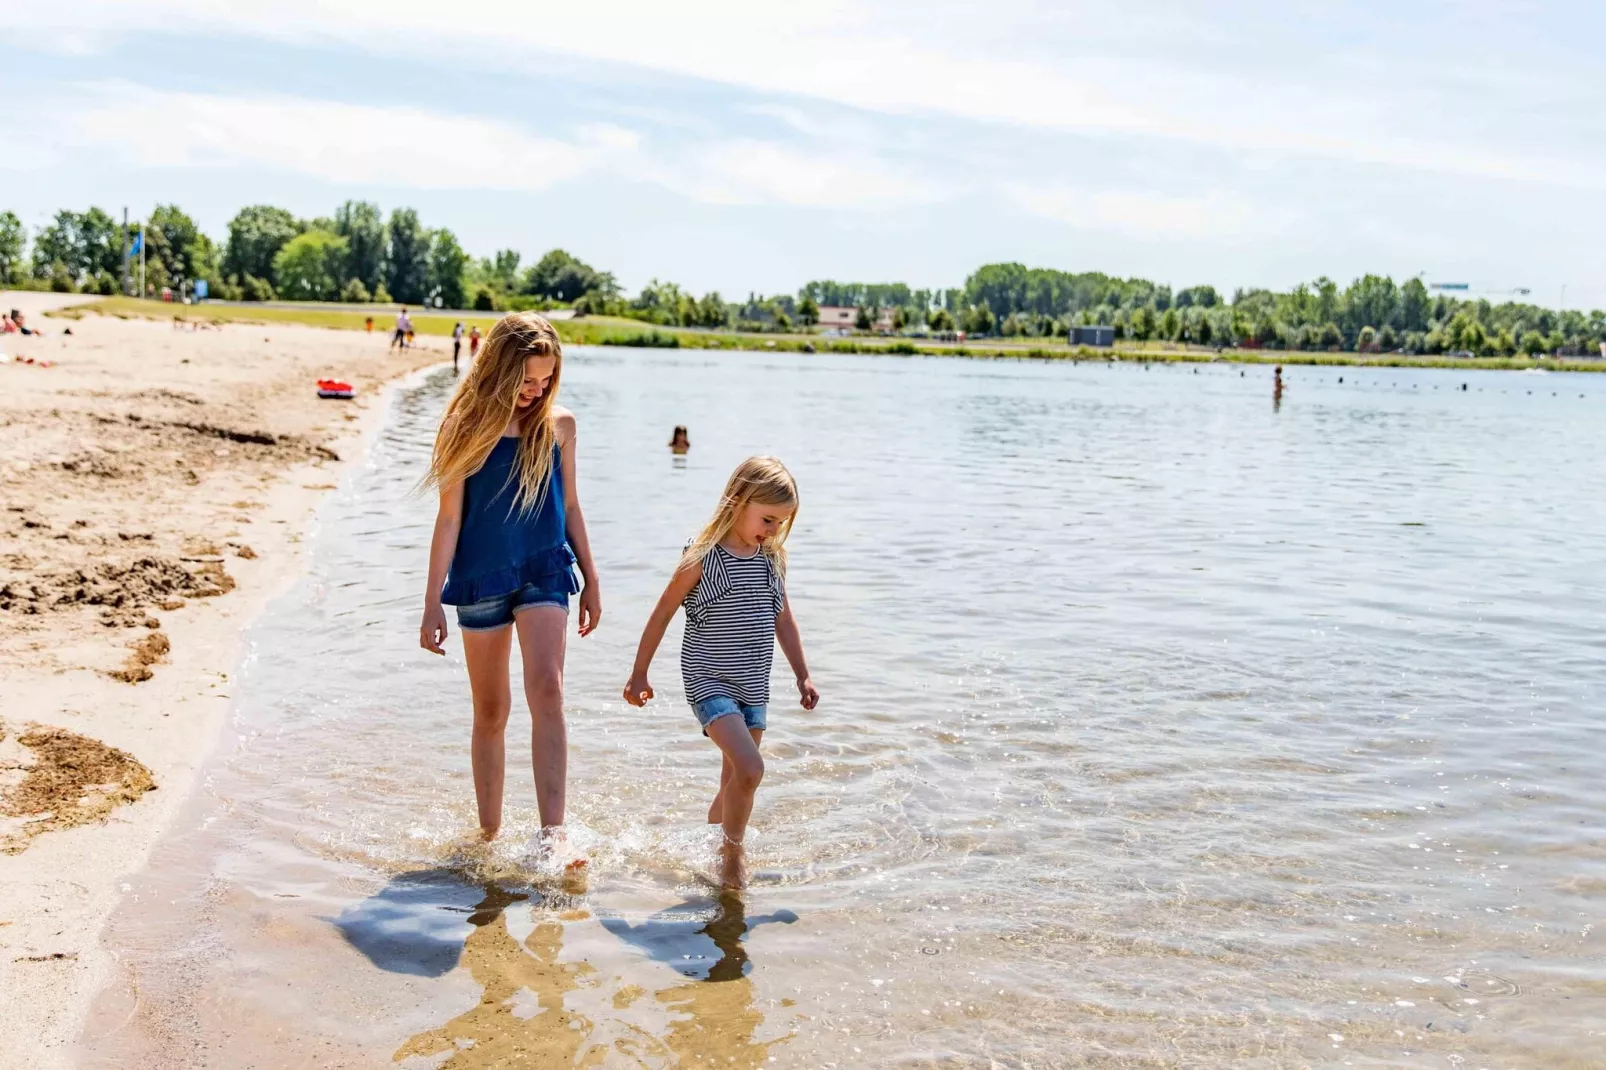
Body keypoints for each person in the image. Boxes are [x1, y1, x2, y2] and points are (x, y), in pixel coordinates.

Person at [419, 312, 602, 862]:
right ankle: (489, 838)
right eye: (527, 381)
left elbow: (569, 505)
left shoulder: (559, 426)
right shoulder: (463, 428)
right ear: (499, 370)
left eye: (546, 380)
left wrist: (592, 578)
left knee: (548, 688)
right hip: (480, 577)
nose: (537, 390)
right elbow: (449, 518)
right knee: (491, 711)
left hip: (545, 568)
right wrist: (431, 602)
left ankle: (554, 837)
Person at [623, 457, 819, 889]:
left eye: (780, 524)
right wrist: (640, 673)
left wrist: (802, 674)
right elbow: (663, 612)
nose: (771, 531)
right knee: (751, 769)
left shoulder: (771, 560)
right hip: (708, 680)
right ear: (738, 501)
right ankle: (733, 858)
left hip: (753, 685)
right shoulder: (704, 556)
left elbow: (783, 620)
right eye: (767, 519)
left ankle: (709, 851)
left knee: (735, 783)